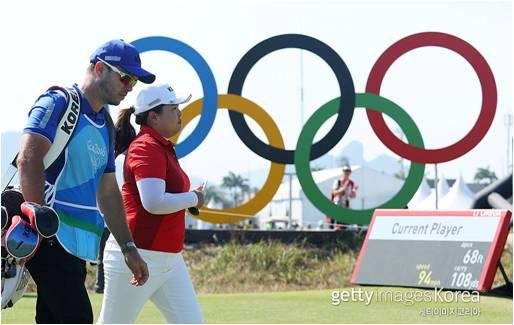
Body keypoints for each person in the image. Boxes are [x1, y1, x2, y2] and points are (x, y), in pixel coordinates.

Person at [17, 39, 154, 323]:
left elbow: (108, 193)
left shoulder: (106, 125)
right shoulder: (58, 102)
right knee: (77, 317)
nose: (130, 86)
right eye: (126, 77)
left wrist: (128, 248)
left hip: (78, 246)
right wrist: (40, 227)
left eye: (134, 82)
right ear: (100, 68)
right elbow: (28, 159)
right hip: (49, 237)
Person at [98, 83, 204, 323]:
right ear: (154, 117)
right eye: (174, 108)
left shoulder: (159, 146)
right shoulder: (146, 147)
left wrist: (189, 199)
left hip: (169, 259)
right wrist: (194, 198)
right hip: (139, 256)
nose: (180, 114)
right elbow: (153, 203)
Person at [327, 165, 358, 229]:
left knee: (344, 225)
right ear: (343, 172)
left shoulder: (351, 183)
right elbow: (334, 192)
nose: (347, 172)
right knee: (333, 224)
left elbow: (352, 196)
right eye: (345, 171)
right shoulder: (338, 182)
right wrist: (343, 188)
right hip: (336, 205)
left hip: (346, 206)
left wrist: (354, 191)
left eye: (348, 171)